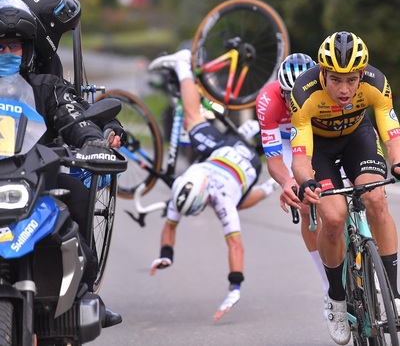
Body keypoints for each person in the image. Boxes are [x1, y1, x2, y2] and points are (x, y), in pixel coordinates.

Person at [0, 0, 123, 328]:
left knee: (78, 197)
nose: (8, 54)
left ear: (27, 50)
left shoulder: (46, 87)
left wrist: (94, 140)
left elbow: (76, 118)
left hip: (37, 181)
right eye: (0, 47)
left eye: (15, 47)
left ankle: (84, 292)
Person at [147, 49, 277, 322]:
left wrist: (235, 286)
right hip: (221, 156)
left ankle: (183, 66)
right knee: (195, 122)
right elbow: (173, 226)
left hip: (245, 162)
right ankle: (268, 184)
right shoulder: (183, 188)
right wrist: (165, 254)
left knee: (193, 120)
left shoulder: (221, 199)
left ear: (205, 195)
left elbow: (235, 247)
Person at [290, 31, 400, 345]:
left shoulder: (377, 84)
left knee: (376, 198)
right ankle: (337, 301)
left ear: (362, 74)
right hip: (319, 149)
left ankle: (393, 294)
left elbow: (392, 136)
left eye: (351, 80)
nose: (344, 89)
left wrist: (397, 162)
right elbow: (301, 156)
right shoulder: (304, 93)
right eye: (336, 80)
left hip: (357, 138)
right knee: (334, 218)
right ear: (322, 73)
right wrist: (305, 181)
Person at [255, 53, 329, 298]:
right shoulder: (268, 100)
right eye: (288, 94)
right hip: (288, 143)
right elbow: (274, 159)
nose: (293, 100)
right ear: (281, 92)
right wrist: (287, 181)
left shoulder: (326, 89)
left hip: (317, 138)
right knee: (307, 203)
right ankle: (327, 281)